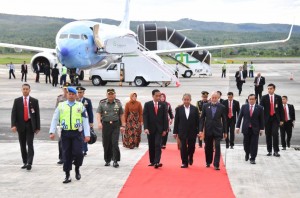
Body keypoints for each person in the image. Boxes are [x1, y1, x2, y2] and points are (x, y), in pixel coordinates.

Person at [49, 87, 90, 184]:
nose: (71, 96)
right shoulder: (61, 106)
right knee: (66, 155)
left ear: (76, 95)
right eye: (69, 94)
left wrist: (87, 135)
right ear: (67, 95)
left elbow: (85, 120)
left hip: (77, 133)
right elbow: (55, 118)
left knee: (79, 153)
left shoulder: (80, 106)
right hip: (65, 133)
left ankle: (77, 168)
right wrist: (52, 131)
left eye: (73, 94)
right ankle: (67, 175)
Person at [11, 84, 40, 170]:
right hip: (21, 125)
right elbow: (14, 114)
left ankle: (29, 162)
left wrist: (37, 127)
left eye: (27, 89)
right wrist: (13, 125)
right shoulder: (17, 101)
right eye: (24, 89)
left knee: (30, 143)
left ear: (29, 90)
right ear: (21, 90)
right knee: (22, 144)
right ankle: (25, 161)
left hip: (30, 124)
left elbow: (37, 115)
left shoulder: (34, 101)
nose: (25, 90)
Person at [97, 89, 125, 168]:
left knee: (114, 143)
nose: (110, 95)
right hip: (106, 125)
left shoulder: (118, 103)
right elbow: (98, 113)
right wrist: (99, 122)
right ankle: (107, 160)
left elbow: (121, 115)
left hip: (115, 125)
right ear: (106, 95)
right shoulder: (102, 103)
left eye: (112, 94)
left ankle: (115, 160)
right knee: (106, 143)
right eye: (109, 94)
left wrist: (123, 125)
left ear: (115, 95)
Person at [199, 92, 227, 170]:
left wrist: (225, 132)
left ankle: (216, 164)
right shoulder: (205, 106)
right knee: (208, 147)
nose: (214, 99)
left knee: (217, 147)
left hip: (218, 130)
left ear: (218, 98)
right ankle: (208, 161)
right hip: (208, 130)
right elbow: (202, 119)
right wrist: (201, 130)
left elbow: (224, 120)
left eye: (216, 98)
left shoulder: (222, 107)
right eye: (213, 98)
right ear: (210, 98)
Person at [236, 94, 264, 164]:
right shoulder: (244, 107)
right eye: (250, 99)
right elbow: (240, 117)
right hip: (246, 128)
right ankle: (247, 153)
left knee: (254, 144)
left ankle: (253, 158)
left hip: (255, 129)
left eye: (253, 99)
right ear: (248, 100)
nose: (251, 100)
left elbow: (262, 119)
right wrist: (237, 127)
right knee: (246, 144)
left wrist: (262, 129)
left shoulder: (260, 108)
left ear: (255, 100)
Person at [143, 89, 168, 169]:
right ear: (153, 96)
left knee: (157, 144)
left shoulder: (163, 105)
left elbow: (165, 118)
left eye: (159, 96)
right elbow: (145, 117)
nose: (158, 97)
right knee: (151, 145)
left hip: (159, 129)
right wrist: (146, 128)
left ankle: (157, 161)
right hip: (150, 129)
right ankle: (152, 161)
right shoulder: (148, 104)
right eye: (156, 96)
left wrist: (165, 129)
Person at [173, 93, 199, 168]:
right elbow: (176, 121)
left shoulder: (195, 109)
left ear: (190, 100)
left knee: (191, 147)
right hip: (182, 131)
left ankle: (190, 157)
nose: (186, 101)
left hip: (192, 131)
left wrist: (199, 131)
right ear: (182, 100)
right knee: (183, 147)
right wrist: (175, 132)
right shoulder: (178, 109)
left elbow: (198, 121)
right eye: (185, 100)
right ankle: (184, 162)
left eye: (188, 100)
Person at [260, 83, 284, 157]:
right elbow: (260, 109)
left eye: (271, 88)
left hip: (275, 118)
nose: (269, 90)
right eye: (268, 89)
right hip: (267, 119)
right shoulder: (264, 97)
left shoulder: (278, 97)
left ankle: (276, 151)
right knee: (268, 135)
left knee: (275, 134)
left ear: (274, 89)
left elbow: (281, 109)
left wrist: (282, 120)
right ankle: (269, 150)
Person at [55, 82, 70, 164]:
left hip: (72, 123)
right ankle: (61, 158)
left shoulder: (74, 97)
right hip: (62, 123)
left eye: (67, 88)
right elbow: (56, 111)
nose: (66, 90)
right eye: (65, 88)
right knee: (61, 141)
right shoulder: (60, 98)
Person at [77, 86, 94, 156]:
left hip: (85, 121)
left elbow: (90, 112)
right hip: (77, 121)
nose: (79, 94)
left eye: (80, 92)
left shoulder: (87, 101)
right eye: (78, 92)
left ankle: (84, 150)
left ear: (83, 93)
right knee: (77, 135)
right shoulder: (75, 100)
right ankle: (78, 148)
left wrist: (91, 122)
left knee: (84, 135)